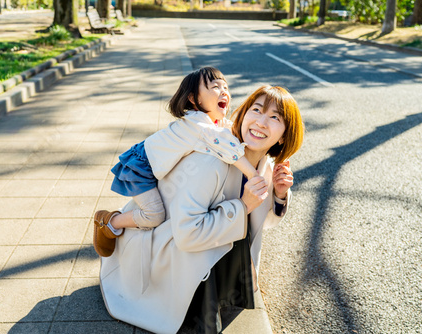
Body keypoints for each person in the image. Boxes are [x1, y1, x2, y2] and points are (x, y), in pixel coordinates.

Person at [99, 85, 304, 334]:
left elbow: (263, 221)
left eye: (275, 117)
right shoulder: (211, 159)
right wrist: (242, 206)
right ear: (243, 114)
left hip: (191, 241)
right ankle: (111, 223)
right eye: (257, 110)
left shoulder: (265, 164)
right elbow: (186, 234)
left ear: (283, 136)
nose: (261, 122)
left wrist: (280, 194)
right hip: (162, 245)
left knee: (233, 233)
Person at [93, 67, 259, 258]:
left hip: (147, 163)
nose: (223, 92)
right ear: (194, 99)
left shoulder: (210, 123)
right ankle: (109, 222)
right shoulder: (198, 124)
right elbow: (229, 148)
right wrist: (253, 175)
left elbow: (229, 131)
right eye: (215, 87)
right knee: (154, 216)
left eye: (226, 87)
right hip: (140, 166)